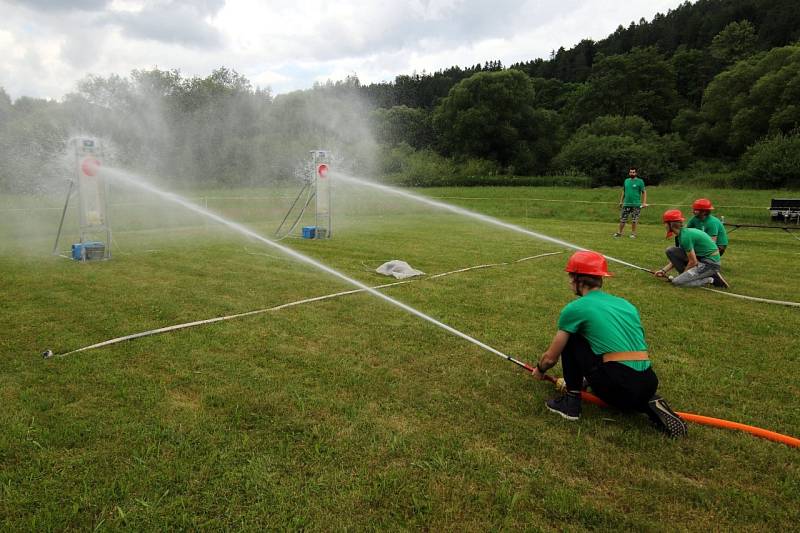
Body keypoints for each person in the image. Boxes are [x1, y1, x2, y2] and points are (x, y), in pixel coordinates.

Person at [532, 250, 687, 437]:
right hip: (648, 381)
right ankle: (642, 399)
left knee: (572, 338)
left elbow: (550, 358)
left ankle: (571, 404)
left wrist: (540, 370)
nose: (569, 281)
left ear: (578, 280)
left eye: (570, 276)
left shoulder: (576, 308)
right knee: (614, 361)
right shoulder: (625, 304)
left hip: (617, 384)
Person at [655, 209, 729, 288]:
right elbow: (682, 257)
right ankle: (695, 276)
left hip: (710, 264)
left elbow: (693, 261)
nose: (664, 225)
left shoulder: (685, 237)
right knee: (671, 250)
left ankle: (711, 279)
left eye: (665, 223)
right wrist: (663, 271)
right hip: (702, 260)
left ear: (671, 224)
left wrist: (682, 276)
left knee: (676, 282)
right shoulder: (682, 234)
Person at [614, 167, 648, 238]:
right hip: (626, 204)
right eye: (631, 172)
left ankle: (633, 234)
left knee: (634, 220)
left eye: (633, 172)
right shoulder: (626, 181)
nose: (632, 173)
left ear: (636, 173)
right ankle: (619, 233)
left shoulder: (640, 181)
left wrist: (644, 203)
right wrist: (621, 201)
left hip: (636, 204)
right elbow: (624, 191)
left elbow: (644, 192)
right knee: (623, 219)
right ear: (629, 173)